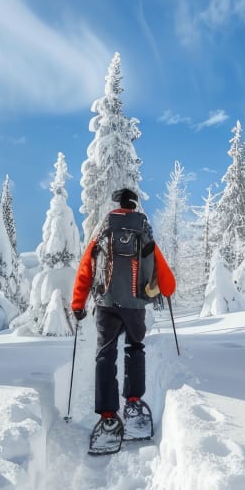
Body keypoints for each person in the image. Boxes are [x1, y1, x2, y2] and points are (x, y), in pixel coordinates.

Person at [71, 187, 176, 444]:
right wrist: (167, 289)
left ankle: (108, 416)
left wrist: (78, 303)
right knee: (135, 348)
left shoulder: (103, 230)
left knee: (105, 355)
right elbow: (163, 273)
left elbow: (86, 268)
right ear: (134, 206)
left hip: (106, 303)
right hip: (135, 305)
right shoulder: (143, 230)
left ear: (117, 204)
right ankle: (133, 402)